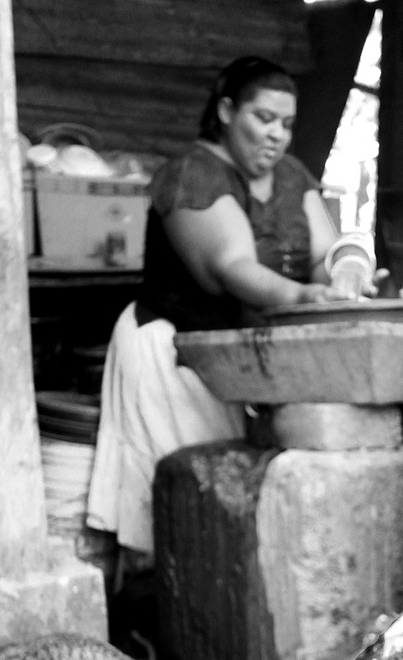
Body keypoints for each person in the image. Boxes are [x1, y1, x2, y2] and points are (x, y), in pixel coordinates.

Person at [87, 56, 347, 563]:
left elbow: (323, 253)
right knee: (180, 504)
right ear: (227, 111)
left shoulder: (292, 176)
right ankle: (158, 612)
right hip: (173, 356)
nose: (276, 135)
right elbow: (230, 266)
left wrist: (342, 278)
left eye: (287, 124)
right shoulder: (193, 175)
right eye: (263, 118)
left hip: (233, 360)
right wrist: (302, 298)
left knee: (223, 509)